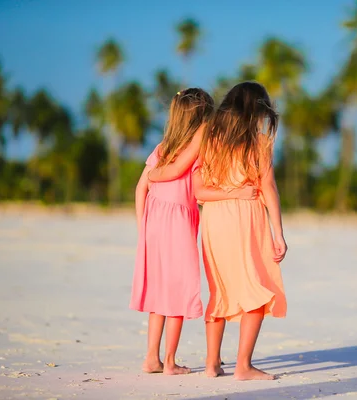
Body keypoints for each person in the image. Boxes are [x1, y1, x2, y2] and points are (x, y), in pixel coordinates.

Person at [130, 88, 257, 375]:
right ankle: (170, 361)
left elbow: (141, 188)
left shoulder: (161, 147)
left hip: (153, 220)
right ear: (202, 119)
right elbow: (180, 177)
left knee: (159, 290)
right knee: (177, 289)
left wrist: (143, 228)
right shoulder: (197, 148)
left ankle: (152, 357)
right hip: (177, 223)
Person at [195, 81, 288, 380]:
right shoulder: (259, 142)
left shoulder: (207, 136)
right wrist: (278, 233)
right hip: (245, 219)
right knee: (257, 289)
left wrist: (226, 194)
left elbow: (199, 191)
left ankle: (211, 364)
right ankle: (243, 366)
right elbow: (268, 188)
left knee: (219, 290)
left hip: (214, 221)